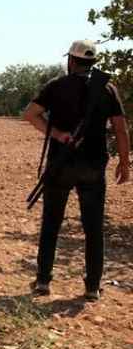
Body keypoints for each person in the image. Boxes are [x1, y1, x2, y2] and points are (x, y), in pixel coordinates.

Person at [23, 40, 130, 301]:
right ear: (93, 62)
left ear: (71, 60)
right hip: (93, 166)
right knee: (93, 228)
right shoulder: (107, 89)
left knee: (51, 224)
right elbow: (120, 128)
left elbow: (31, 114)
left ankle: (43, 282)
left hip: (61, 164)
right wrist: (124, 162)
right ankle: (92, 287)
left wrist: (59, 135)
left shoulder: (56, 86)